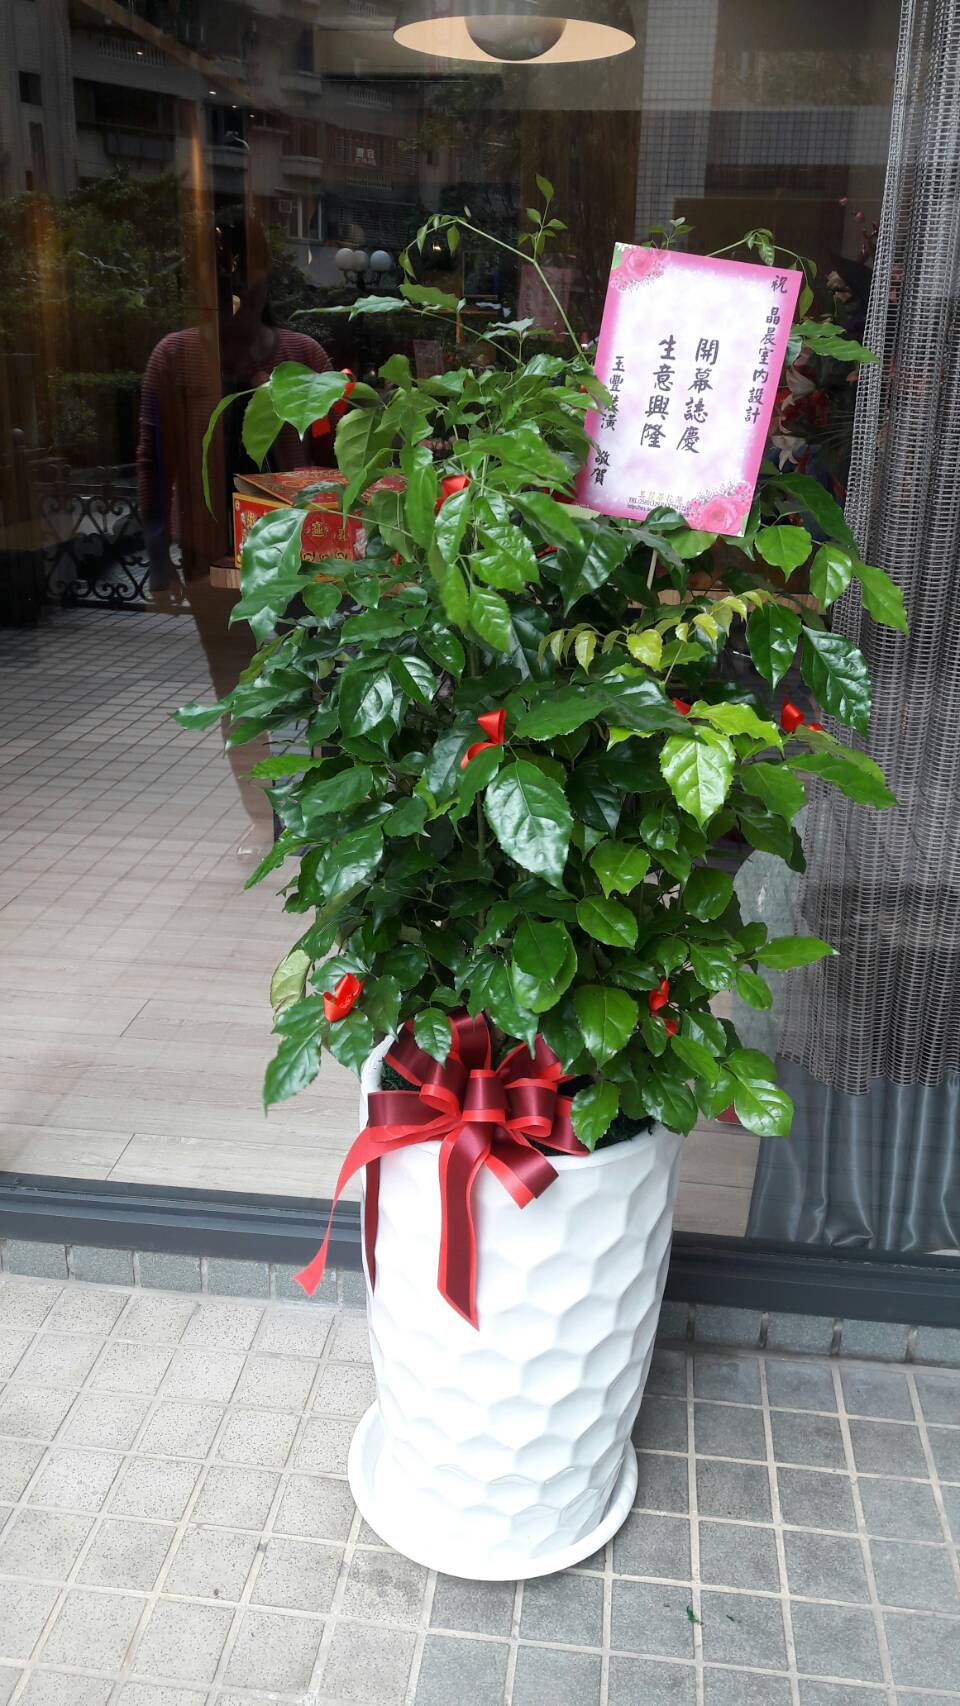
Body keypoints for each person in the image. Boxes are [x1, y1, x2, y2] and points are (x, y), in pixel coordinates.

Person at [137, 217, 334, 839]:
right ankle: (263, 820)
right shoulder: (175, 357)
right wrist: (158, 563)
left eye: (243, 272)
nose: (232, 287)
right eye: (217, 273)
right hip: (211, 556)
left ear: (267, 277)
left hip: (305, 556)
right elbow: (153, 462)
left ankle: (325, 817)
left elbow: (334, 465)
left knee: (323, 679)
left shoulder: (304, 357)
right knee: (239, 691)